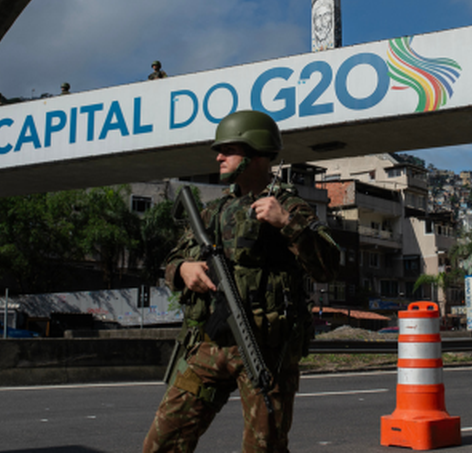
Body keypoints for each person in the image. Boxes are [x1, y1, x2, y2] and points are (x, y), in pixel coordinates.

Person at [143, 110, 341, 453]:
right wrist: (185, 270)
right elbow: (172, 262)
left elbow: (328, 267)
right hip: (209, 344)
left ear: (256, 154)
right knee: (163, 441)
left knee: (264, 448)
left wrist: (287, 223)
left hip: (265, 351)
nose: (219, 157)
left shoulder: (289, 206)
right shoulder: (213, 212)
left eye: (229, 150)